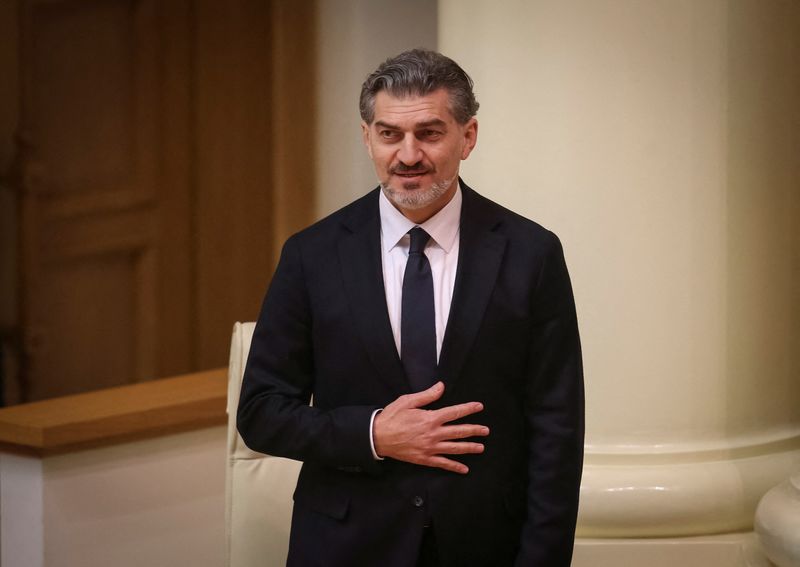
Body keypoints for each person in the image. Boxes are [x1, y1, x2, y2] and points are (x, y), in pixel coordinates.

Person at [237, 49, 584, 567]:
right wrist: (373, 433)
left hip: (486, 545)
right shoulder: (312, 255)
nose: (408, 155)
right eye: (389, 134)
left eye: (430, 132)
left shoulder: (531, 254)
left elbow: (557, 430)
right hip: (345, 546)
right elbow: (261, 412)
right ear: (366, 137)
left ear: (468, 137)